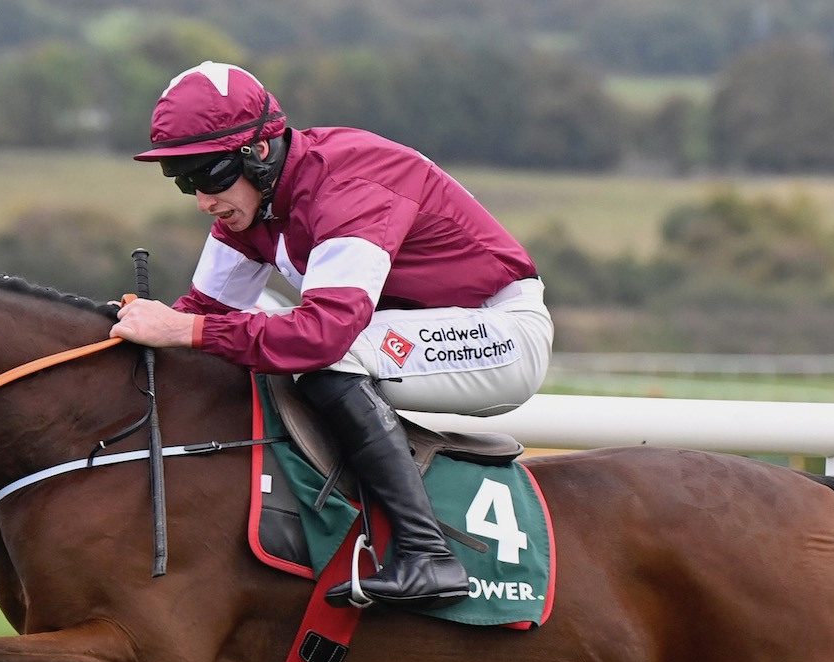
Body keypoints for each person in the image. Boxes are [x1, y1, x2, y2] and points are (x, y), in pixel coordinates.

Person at [113, 61, 552, 610]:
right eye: (184, 180)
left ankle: (427, 555)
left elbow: (322, 337)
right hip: (411, 331)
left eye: (209, 176)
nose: (202, 200)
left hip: (500, 333)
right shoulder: (253, 206)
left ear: (260, 151)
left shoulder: (349, 186)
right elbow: (204, 312)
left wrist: (185, 329)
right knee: (247, 344)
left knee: (320, 358)